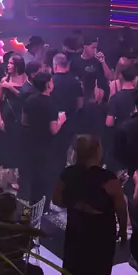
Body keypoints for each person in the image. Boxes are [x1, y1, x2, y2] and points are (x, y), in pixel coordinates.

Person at [53, 135, 128, 275]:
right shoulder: (108, 178)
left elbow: (56, 199)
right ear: (97, 151)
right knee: (98, 272)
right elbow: (121, 208)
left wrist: (76, 204)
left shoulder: (68, 174)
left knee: (73, 268)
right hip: (101, 234)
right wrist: (122, 232)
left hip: (76, 231)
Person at [21, 71, 66, 206]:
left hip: (30, 143)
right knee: (45, 177)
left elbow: (24, 121)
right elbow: (53, 130)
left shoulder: (29, 100)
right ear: (48, 85)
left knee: (33, 175)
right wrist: (61, 120)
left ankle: (31, 204)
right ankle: (43, 207)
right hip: (46, 146)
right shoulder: (51, 104)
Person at [51, 53, 84, 188]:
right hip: (71, 122)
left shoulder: (51, 81)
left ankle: (56, 182)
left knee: (56, 154)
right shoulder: (75, 81)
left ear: (55, 65)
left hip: (54, 122)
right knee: (71, 153)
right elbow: (80, 103)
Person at [0, 55, 27, 179]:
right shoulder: (4, 80)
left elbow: (25, 97)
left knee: (22, 145)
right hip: (8, 115)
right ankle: (10, 176)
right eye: (8, 63)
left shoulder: (26, 78)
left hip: (23, 115)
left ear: (18, 65)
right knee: (9, 145)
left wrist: (10, 87)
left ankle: (21, 174)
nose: (8, 65)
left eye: (11, 63)